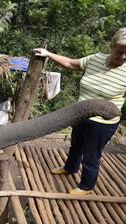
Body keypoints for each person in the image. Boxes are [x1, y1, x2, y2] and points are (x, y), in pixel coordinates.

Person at [34, 28, 126, 195]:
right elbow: (71, 63)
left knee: (91, 155)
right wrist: (48, 54)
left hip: (103, 124)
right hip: (80, 114)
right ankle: (69, 168)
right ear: (112, 47)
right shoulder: (95, 59)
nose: (124, 57)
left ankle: (86, 187)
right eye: (120, 52)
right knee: (76, 146)